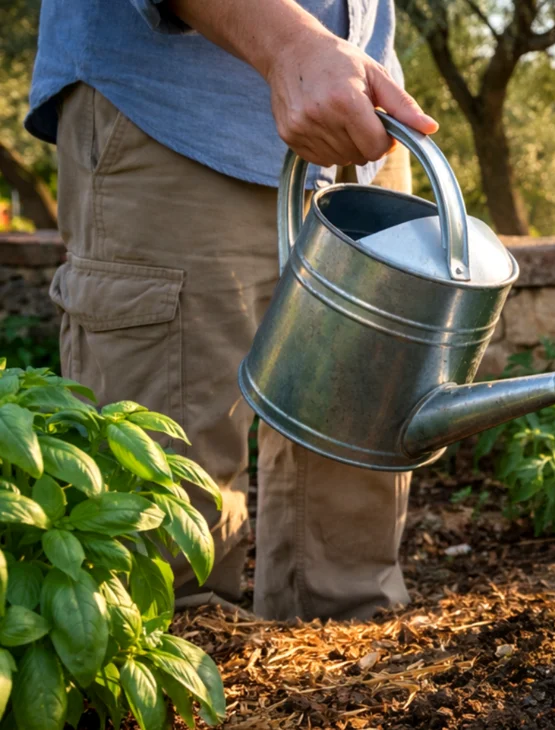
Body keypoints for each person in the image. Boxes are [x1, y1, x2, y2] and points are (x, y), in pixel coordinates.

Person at [25, 0, 438, 620]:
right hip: (172, 108)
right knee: (169, 573)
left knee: (350, 575)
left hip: (364, 117)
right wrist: (290, 46)